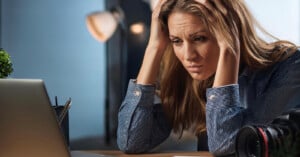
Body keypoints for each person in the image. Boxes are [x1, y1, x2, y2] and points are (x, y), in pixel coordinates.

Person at [117, 0, 300, 156]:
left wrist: (230, 50)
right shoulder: (193, 76)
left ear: (231, 32)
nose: (188, 56)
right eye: (176, 41)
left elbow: (226, 147)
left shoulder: (290, 67)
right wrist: (154, 47)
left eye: (200, 38)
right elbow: (132, 142)